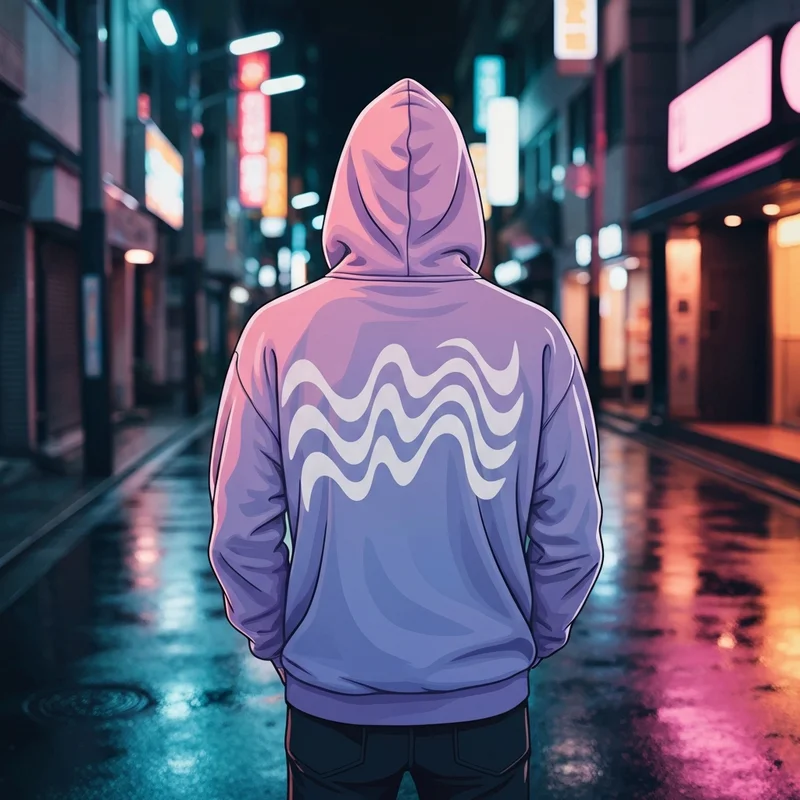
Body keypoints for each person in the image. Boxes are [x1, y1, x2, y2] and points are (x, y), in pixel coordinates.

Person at [208, 78, 603, 800]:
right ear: (465, 191)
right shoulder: (536, 338)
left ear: (347, 187)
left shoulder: (276, 335)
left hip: (332, 700)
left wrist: (282, 641)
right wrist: (528, 640)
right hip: (486, 699)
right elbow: (572, 533)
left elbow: (242, 531)